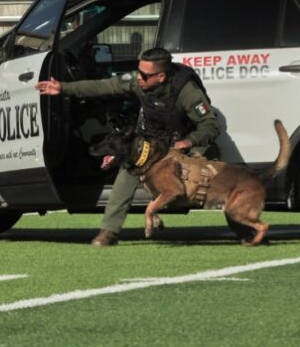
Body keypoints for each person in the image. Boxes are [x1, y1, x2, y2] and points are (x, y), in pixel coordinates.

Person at [36, 48, 219, 247]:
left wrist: (188, 142)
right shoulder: (139, 82)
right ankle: (109, 232)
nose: (138, 77)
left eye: (144, 75)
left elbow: (210, 125)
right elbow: (104, 86)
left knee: (195, 175)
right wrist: (63, 88)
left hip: (181, 144)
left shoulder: (187, 91)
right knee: (127, 171)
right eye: (138, 72)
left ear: (161, 76)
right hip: (154, 143)